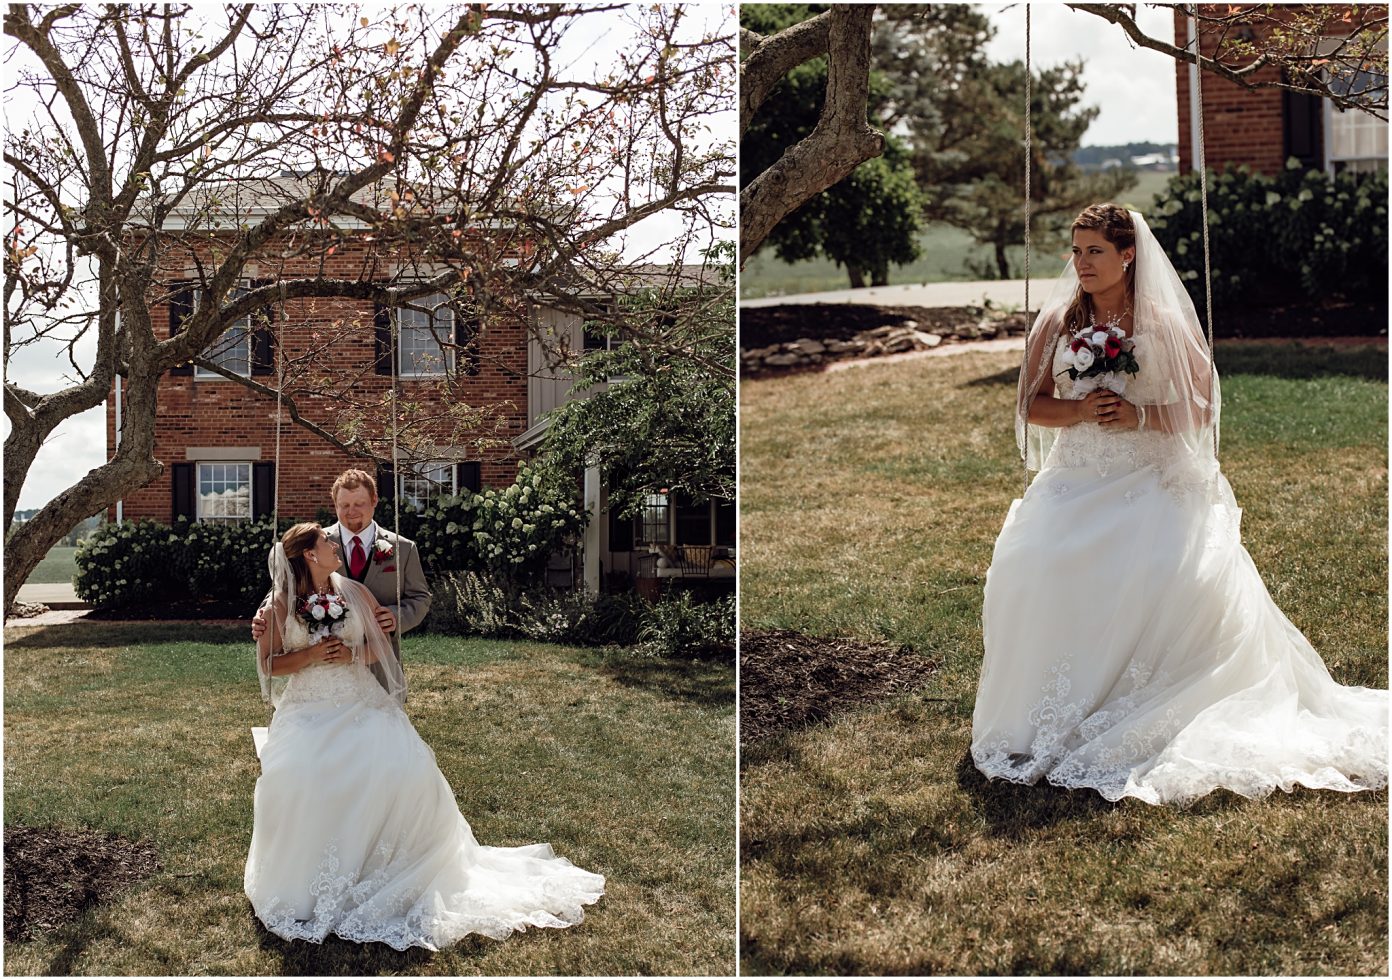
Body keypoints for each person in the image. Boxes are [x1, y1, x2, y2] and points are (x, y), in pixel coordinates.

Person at [971, 203, 1388, 805]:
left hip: (1151, 477)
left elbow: (1201, 408)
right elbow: (1031, 406)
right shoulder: (1057, 323)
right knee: (1029, 564)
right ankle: (1038, 714)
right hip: (1077, 478)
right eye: (1076, 250)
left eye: (1095, 251)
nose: (1082, 262)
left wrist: (1138, 414)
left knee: (1156, 566)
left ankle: (1148, 704)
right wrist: (1082, 409)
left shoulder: (1163, 321)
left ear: (1128, 254)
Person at [245, 523, 604, 948]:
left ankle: (400, 866)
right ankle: (309, 880)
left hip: (362, 701)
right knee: (303, 773)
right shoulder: (280, 604)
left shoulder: (355, 592)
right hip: (308, 709)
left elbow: (381, 643)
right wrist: (306, 656)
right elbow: (268, 665)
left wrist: (353, 653)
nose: (332, 543)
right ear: (308, 554)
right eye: (325, 541)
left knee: (403, 767)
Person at [251, 469, 430, 665]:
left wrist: (396, 617)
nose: (351, 512)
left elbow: (420, 598)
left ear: (374, 500)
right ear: (335, 505)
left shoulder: (403, 548)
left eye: (359, 504)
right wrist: (265, 617)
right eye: (344, 505)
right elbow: (288, 583)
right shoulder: (315, 544)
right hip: (325, 667)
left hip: (382, 664)